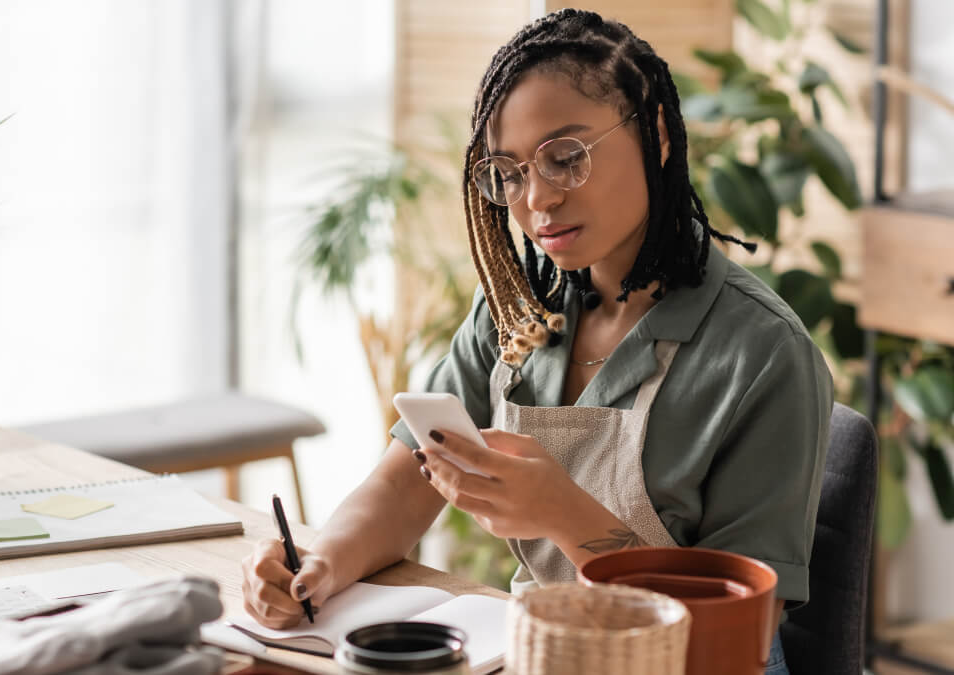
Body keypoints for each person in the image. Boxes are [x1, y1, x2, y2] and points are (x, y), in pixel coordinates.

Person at [241, 9, 831, 675]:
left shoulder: (763, 353)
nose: (537, 199)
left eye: (565, 158)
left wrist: (562, 511)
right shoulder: (518, 308)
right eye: (510, 172)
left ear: (657, 134)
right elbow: (408, 483)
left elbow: (729, 645)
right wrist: (319, 564)